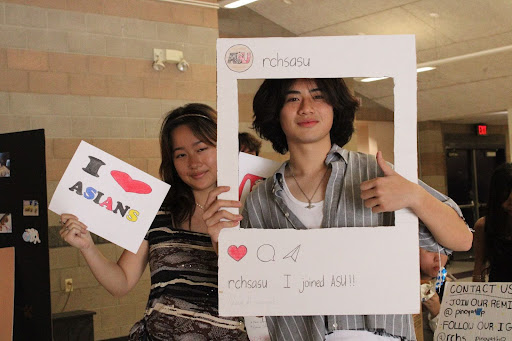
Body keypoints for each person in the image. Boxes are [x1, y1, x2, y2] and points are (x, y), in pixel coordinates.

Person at [205, 78, 472, 341]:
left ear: (336, 108)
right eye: (293, 98)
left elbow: (462, 239)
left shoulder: (377, 174)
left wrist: (415, 197)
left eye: (319, 96)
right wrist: (222, 244)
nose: (306, 107)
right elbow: (250, 289)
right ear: (275, 112)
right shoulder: (259, 199)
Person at [60, 104, 248, 341]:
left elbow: (259, 290)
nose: (193, 162)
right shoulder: (156, 212)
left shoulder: (249, 210)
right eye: (180, 154)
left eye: (201, 148)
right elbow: (121, 282)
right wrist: (87, 247)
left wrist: (223, 243)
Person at [472, 163, 512, 282]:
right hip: (498, 295)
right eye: (505, 194)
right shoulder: (484, 225)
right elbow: (479, 265)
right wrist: (477, 295)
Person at [419, 246, 450, 341]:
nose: (438, 258)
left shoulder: (451, 290)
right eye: (430, 250)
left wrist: (436, 312)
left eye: (444, 250)